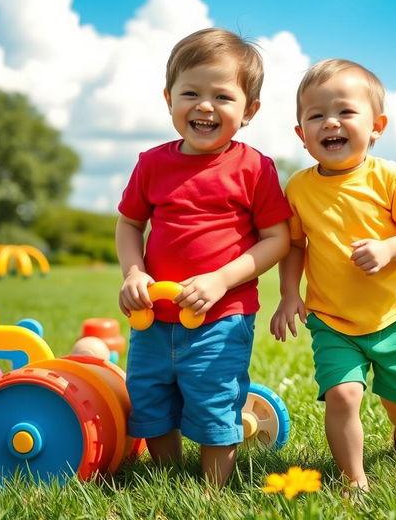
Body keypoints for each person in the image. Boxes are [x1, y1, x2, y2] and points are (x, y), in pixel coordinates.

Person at [116, 28, 291, 486]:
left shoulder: (254, 167)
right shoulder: (152, 163)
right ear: (168, 98)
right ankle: (169, 478)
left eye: (222, 96)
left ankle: (214, 491)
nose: (205, 106)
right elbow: (129, 224)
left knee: (215, 398)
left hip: (221, 315)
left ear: (249, 110)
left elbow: (277, 239)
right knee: (149, 398)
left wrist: (220, 280)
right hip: (153, 315)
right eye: (190, 92)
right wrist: (134, 271)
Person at [270, 59, 396, 491]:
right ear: (301, 133)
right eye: (316, 115)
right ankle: (354, 481)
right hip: (333, 320)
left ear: (376, 125)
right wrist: (290, 293)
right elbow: (294, 244)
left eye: (345, 112)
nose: (331, 123)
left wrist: (389, 248)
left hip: (394, 315)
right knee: (343, 396)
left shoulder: (388, 177)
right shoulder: (299, 187)